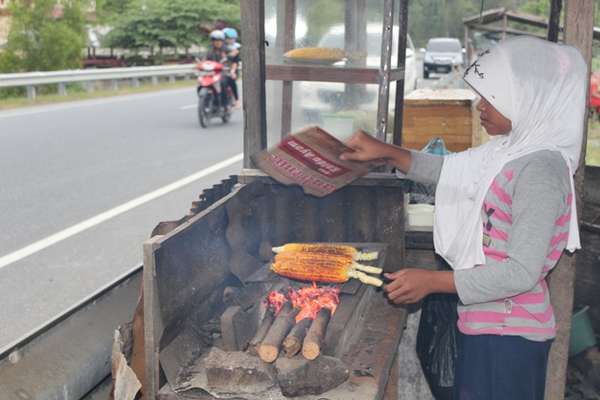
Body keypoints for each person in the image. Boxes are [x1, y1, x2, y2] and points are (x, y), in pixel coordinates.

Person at [340, 36, 587, 400]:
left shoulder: (540, 170)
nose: (479, 106)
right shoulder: (509, 152)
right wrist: (386, 153)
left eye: (491, 98)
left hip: (510, 337)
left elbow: (521, 272)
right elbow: (451, 171)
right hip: (488, 326)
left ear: (525, 100)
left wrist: (432, 282)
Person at [205, 30, 231, 110]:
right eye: (215, 40)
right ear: (212, 41)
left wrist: (227, 65)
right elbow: (206, 61)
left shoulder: (226, 50)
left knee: (222, 83)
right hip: (212, 73)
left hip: (224, 73)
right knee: (204, 83)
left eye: (219, 40)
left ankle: (225, 104)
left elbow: (231, 60)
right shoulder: (210, 51)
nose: (217, 42)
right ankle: (207, 103)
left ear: (222, 41)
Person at [223, 27, 241, 108]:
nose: (231, 40)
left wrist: (232, 71)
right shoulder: (221, 47)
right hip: (220, 69)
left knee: (231, 81)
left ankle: (237, 100)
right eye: (229, 38)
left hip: (233, 69)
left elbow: (235, 62)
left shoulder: (237, 47)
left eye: (233, 38)